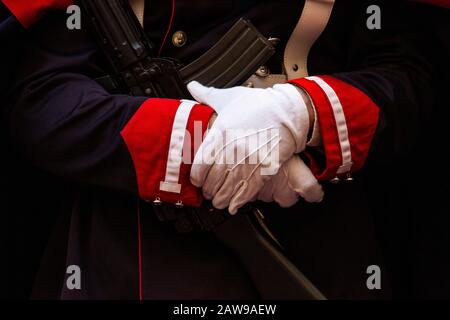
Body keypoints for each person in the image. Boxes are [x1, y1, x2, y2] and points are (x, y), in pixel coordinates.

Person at [2, 0, 448, 299]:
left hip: (316, 221)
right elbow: (42, 98)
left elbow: (412, 75)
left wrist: (299, 114)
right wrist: (205, 141)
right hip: (137, 241)